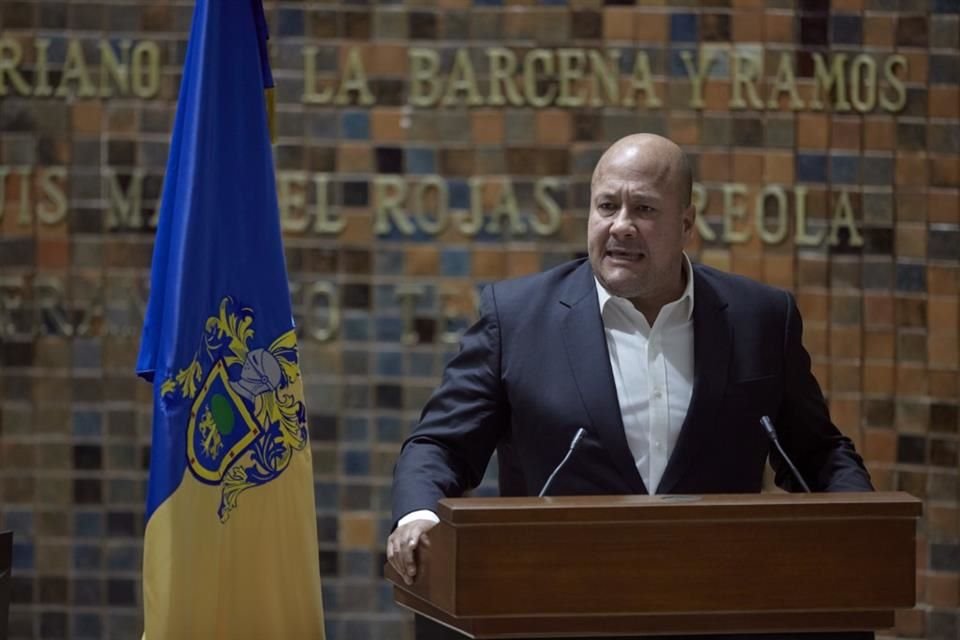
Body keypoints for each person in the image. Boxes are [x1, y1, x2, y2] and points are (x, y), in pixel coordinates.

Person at [387, 134, 874, 640]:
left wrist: (863, 523)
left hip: (719, 610)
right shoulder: (517, 319)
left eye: (643, 208)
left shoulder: (760, 319)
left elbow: (817, 454)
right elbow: (440, 445)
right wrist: (419, 515)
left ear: (685, 224)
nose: (621, 225)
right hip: (554, 608)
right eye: (606, 206)